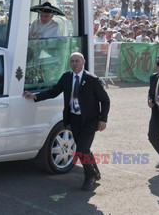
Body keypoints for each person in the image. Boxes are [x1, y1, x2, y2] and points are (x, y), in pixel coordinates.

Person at [23, 52, 110, 191]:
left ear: (83, 62)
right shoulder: (67, 77)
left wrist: (103, 119)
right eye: (72, 61)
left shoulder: (92, 80)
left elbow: (105, 100)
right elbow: (54, 92)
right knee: (84, 148)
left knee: (81, 149)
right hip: (73, 119)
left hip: (90, 120)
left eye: (77, 61)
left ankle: (90, 176)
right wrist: (35, 96)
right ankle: (95, 172)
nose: (74, 64)